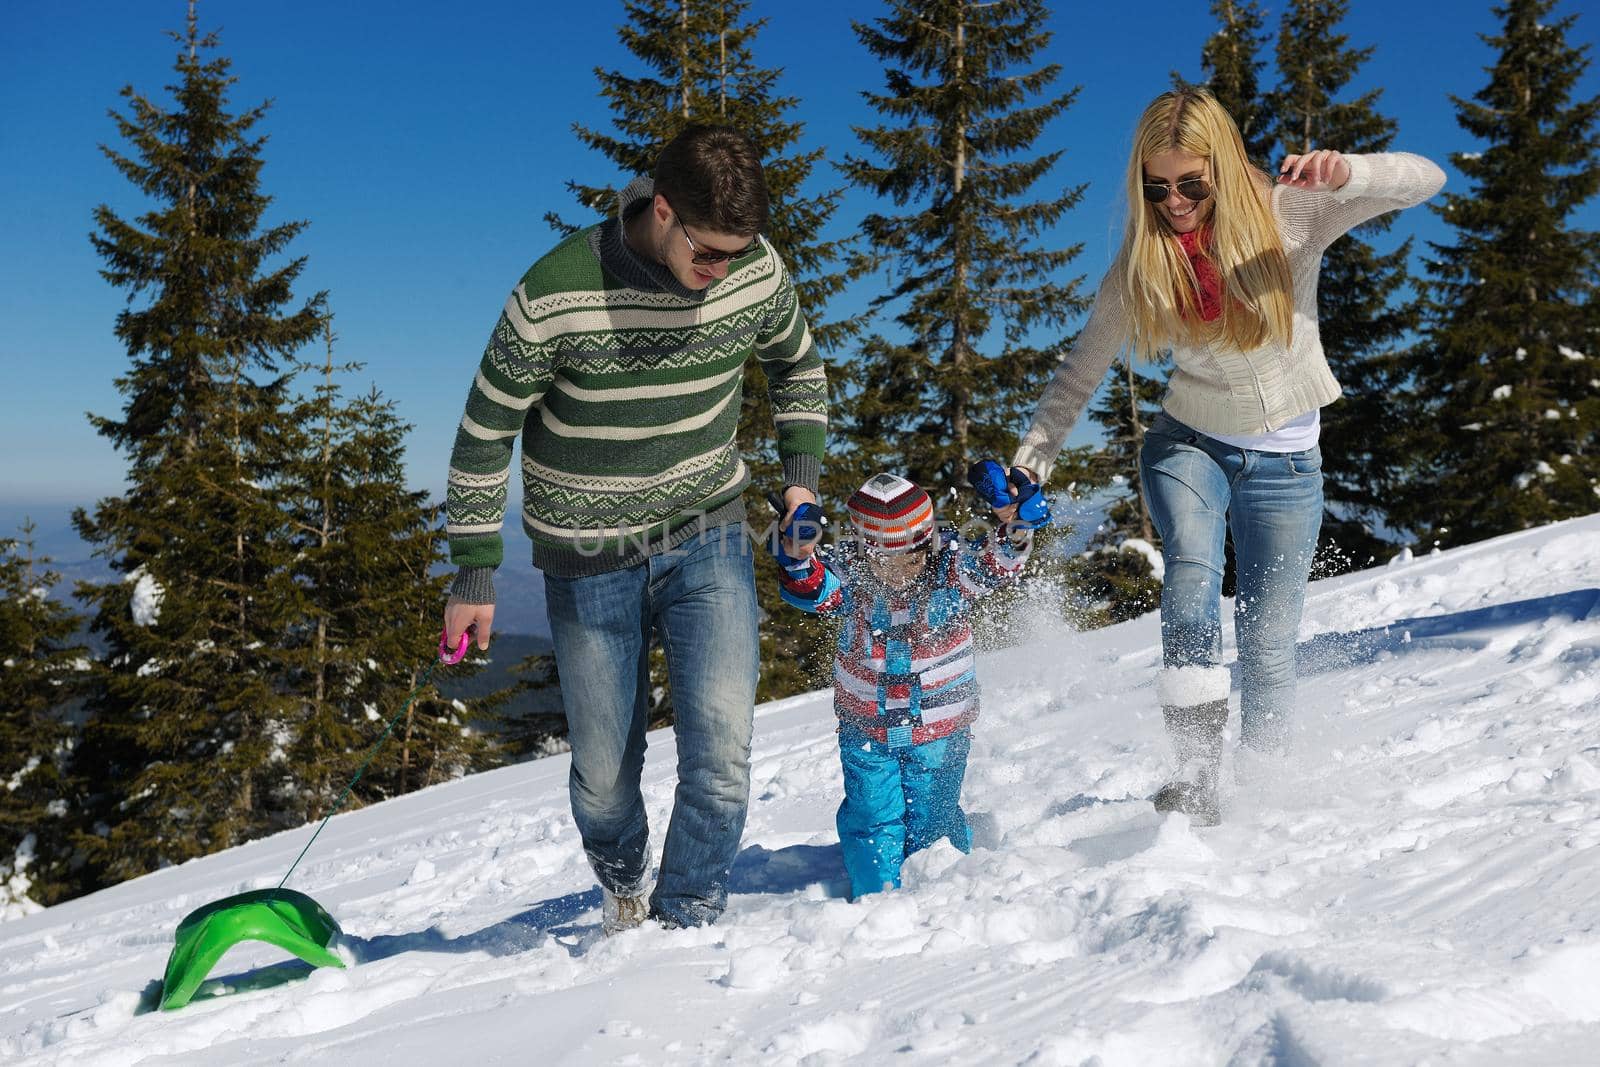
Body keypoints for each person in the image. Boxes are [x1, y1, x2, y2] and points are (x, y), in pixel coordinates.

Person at [1005, 87, 1445, 825]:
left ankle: (1265, 803)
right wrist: (1032, 460)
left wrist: (1349, 172)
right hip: (1190, 444)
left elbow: (1426, 177)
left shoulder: (1292, 212)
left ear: (1224, 170)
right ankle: (1195, 781)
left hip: (1288, 468)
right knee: (1190, 582)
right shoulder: (1145, 261)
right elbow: (1079, 372)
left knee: (1269, 646)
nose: (1172, 201)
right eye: (1156, 186)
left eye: (1189, 183)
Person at [442, 124, 828, 931]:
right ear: (661, 211)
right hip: (588, 558)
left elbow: (796, 363)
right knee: (605, 779)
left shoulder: (752, 269)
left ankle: (683, 921)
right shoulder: (556, 292)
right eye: (708, 252)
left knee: (721, 758)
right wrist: (476, 573)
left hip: (708, 529)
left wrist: (799, 484)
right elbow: (486, 428)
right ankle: (623, 892)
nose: (721, 271)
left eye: (738, 252)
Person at [767, 472, 1031, 899]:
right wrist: (796, 557)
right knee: (872, 816)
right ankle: (878, 897)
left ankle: (941, 896)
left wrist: (1015, 529)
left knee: (934, 815)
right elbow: (812, 588)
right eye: (883, 562)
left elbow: (996, 564)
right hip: (866, 730)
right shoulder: (849, 578)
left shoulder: (952, 570)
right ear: (861, 550)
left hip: (941, 730)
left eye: (911, 558)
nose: (898, 573)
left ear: (928, 543)